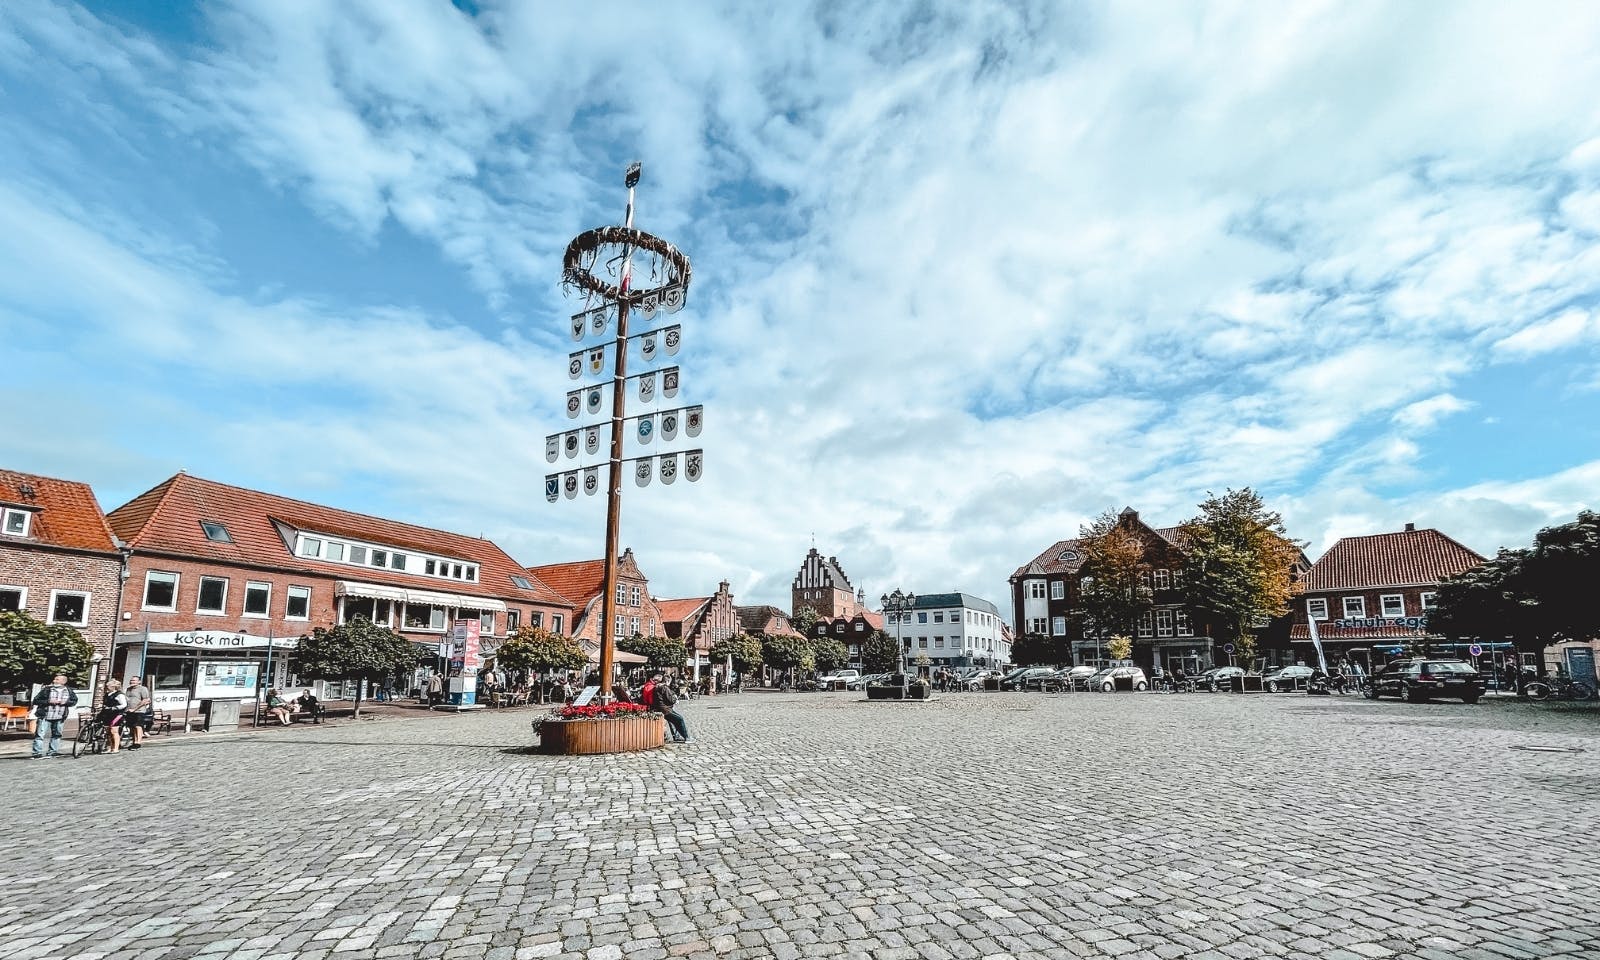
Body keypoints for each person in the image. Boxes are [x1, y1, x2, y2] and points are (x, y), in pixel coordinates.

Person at [30, 673, 78, 759]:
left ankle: (53, 751)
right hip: (45, 715)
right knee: (40, 734)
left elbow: (74, 701)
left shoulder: (69, 691)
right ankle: (37, 753)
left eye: (57, 679)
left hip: (60, 716)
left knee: (57, 735)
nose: (54, 681)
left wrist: (66, 703)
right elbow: (36, 700)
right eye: (54, 679)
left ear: (63, 681)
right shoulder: (47, 689)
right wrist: (49, 701)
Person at [647, 670, 692, 744]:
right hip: (665, 709)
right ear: (667, 681)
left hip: (662, 708)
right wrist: (675, 699)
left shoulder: (657, 687)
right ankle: (686, 737)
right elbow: (670, 699)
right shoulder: (664, 688)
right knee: (679, 719)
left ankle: (679, 736)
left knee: (675, 720)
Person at [100, 679, 129, 753]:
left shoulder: (119, 695)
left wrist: (115, 708)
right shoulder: (107, 694)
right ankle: (109, 747)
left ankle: (116, 748)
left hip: (116, 714)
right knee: (108, 732)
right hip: (107, 714)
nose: (107, 687)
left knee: (114, 731)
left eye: (108, 686)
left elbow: (124, 704)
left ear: (114, 687)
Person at [124, 675, 153, 749]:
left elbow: (145, 700)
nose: (132, 682)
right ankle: (134, 742)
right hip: (129, 711)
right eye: (131, 680)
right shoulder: (128, 689)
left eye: (134, 680)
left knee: (138, 726)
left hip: (139, 711)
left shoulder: (142, 689)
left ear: (139, 681)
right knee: (131, 727)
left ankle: (138, 742)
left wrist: (135, 709)